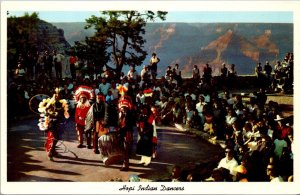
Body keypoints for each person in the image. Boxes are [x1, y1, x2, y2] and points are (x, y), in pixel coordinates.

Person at [37, 88, 70, 160]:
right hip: (52, 122)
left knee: (56, 137)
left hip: (59, 122)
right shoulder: (51, 102)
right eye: (56, 94)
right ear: (54, 95)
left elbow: (64, 112)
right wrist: (52, 114)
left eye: (59, 94)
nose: (58, 95)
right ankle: (51, 152)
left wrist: (60, 113)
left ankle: (53, 150)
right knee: (55, 137)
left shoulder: (62, 103)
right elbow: (46, 110)